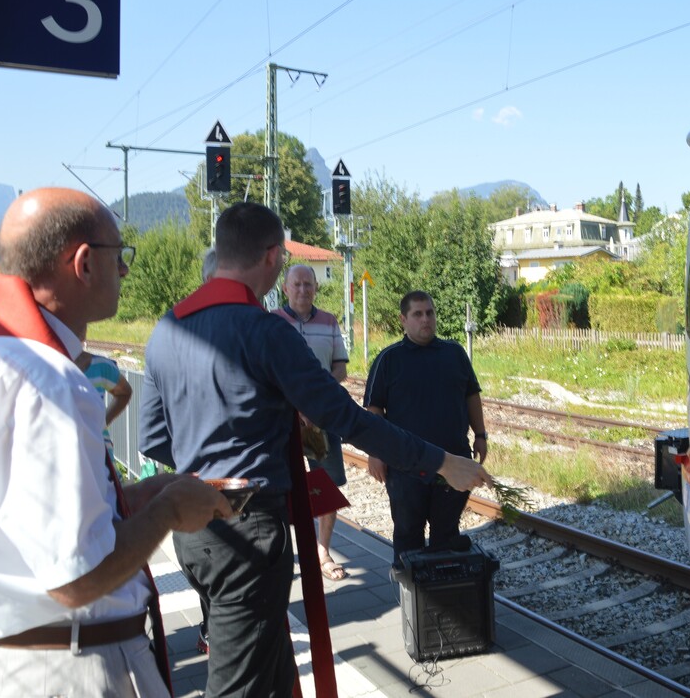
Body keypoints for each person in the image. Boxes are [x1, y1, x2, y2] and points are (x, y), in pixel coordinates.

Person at [139, 202, 490, 698]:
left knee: (273, 667)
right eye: (282, 258)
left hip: (190, 532)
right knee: (239, 684)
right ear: (270, 257)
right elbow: (346, 419)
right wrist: (442, 460)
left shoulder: (165, 328)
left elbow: (154, 439)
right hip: (249, 533)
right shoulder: (266, 332)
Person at [0, 188, 232, 698]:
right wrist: (169, 510)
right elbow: (76, 579)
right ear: (84, 263)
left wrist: (134, 499)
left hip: (4, 665)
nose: (124, 272)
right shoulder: (50, 381)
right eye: (119, 256)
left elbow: (20, 521)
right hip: (76, 666)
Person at [363, 291, 489, 567]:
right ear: (403, 320)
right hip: (405, 467)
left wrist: (480, 435)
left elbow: (472, 395)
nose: (426, 320)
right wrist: (376, 453)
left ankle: (441, 594)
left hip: (453, 460)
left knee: (446, 534)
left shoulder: (454, 353)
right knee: (408, 533)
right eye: (418, 314)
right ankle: (411, 596)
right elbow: (374, 411)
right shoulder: (388, 359)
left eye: (430, 313)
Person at [272, 264, 351, 581]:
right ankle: (281, 552)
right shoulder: (273, 322)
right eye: (297, 284)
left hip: (321, 417)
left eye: (308, 284)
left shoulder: (329, 322)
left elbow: (341, 370)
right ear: (285, 288)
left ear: (316, 288)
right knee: (278, 483)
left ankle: (322, 551)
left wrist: (314, 397)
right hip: (282, 420)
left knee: (326, 485)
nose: (303, 290)